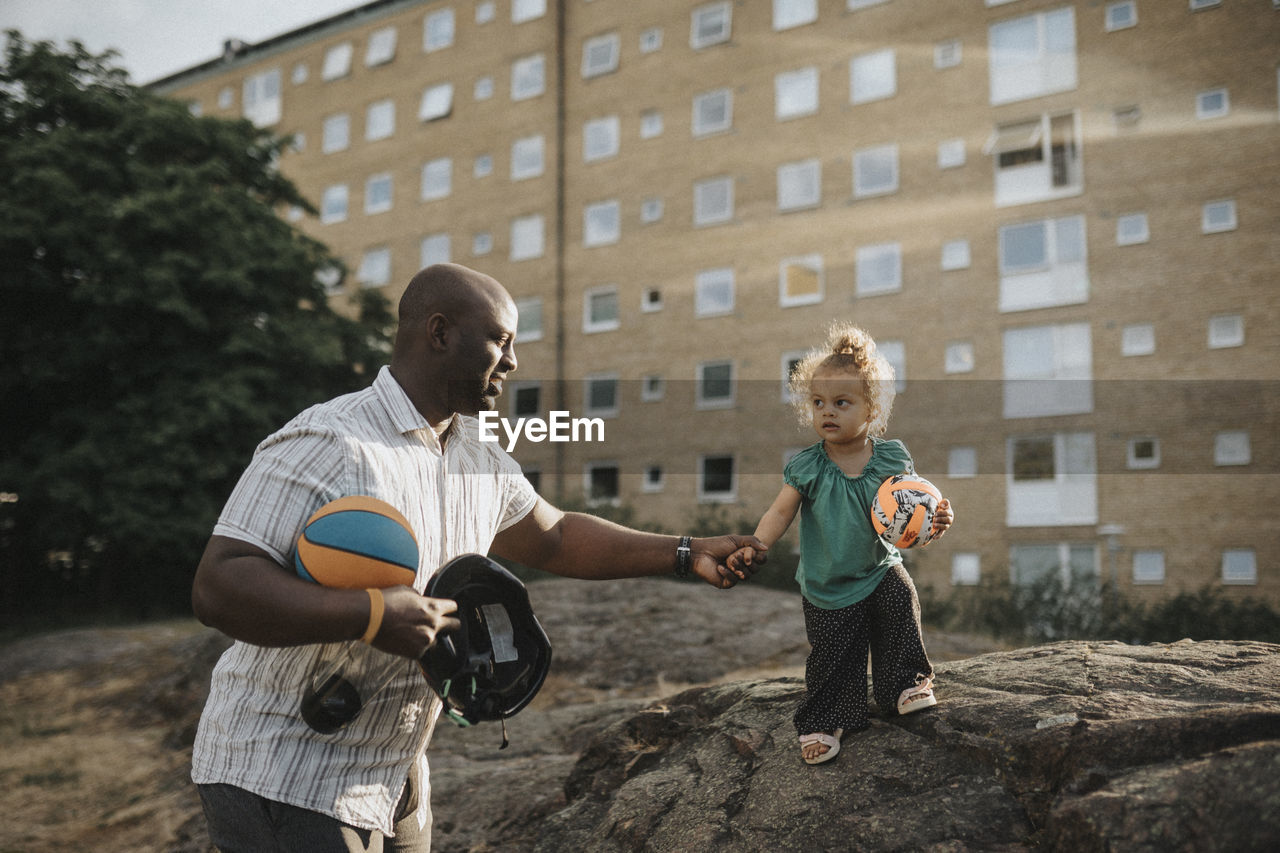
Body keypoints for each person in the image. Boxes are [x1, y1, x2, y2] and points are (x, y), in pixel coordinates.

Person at [189, 263, 765, 852]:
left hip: (394, 775)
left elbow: (557, 535)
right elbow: (220, 583)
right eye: (501, 341)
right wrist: (368, 615)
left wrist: (686, 551)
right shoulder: (330, 439)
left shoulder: (477, 454)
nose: (513, 363)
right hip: (287, 766)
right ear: (440, 333)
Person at [726, 323, 953, 765]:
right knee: (835, 654)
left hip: (878, 567)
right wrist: (757, 543)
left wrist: (941, 517)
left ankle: (904, 685)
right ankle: (828, 718)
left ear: (873, 409)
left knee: (901, 608)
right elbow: (779, 512)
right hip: (827, 583)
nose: (826, 412)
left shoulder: (891, 458)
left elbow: (917, 505)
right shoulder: (807, 466)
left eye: (842, 403)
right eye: (818, 403)